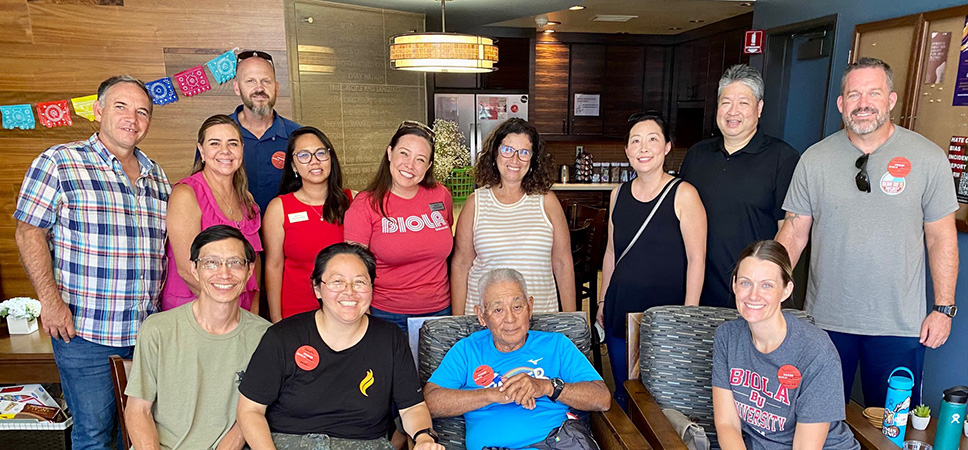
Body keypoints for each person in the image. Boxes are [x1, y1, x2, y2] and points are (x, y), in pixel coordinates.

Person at [776, 57, 959, 407]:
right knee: (819, 421)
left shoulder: (928, 159)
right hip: (824, 322)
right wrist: (770, 288)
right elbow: (794, 231)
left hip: (899, 326)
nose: (863, 103)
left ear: (890, 100)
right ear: (841, 104)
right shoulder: (814, 160)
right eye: (854, 94)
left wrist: (944, 308)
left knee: (890, 426)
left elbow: (941, 238)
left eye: (873, 93)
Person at [14, 75, 170, 449]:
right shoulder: (60, 162)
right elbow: (28, 232)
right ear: (98, 110)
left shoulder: (157, 176)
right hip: (86, 332)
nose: (132, 118)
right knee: (95, 434)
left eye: (142, 111)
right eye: (121, 107)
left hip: (146, 335)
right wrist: (50, 302)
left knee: (140, 433)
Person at [236, 243, 445, 450]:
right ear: (317, 288)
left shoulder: (390, 338)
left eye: (360, 282)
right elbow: (250, 410)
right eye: (337, 282)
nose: (349, 292)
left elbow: (412, 407)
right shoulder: (283, 336)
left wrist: (423, 438)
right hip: (288, 443)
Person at [424, 268, 611, 450]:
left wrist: (546, 387)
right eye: (498, 309)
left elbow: (602, 398)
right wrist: (494, 394)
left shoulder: (557, 345)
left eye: (517, 307)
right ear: (481, 315)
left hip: (556, 443)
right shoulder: (467, 350)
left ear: (529, 307)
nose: (510, 319)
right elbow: (430, 402)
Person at [596, 112, 706, 409]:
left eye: (652, 139)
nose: (643, 148)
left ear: (667, 147)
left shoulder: (684, 194)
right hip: (622, 307)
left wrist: (688, 314)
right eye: (636, 141)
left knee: (663, 397)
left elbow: (697, 259)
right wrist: (603, 301)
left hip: (665, 313)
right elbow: (610, 252)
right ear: (627, 151)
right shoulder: (618, 194)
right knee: (623, 391)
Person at [126, 225, 271, 450]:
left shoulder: (264, 336)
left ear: (249, 270)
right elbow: (138, 410)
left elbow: (251, 415)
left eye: (235, 263)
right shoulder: (158, 329)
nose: (224, 273)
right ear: (194, 269)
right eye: (211, 263)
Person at [712, 240, 860, 450]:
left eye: (767, 285)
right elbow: (727, 424)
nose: (753, 295)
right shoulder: (727, 337)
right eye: (745, 283)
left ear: (786, 290)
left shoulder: (816, 351)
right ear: (734, 284)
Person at [679, 65, 800, 308]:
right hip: (697, 295)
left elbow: (790, 231)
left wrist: (765, 289)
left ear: (759, 108)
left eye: (743, 103)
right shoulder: (697, 156)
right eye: (726, 102)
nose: (732, 111)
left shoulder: (782, 158)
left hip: (751, 300)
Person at [451, 118, 575, 315]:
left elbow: (562, 262)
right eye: (507, 150)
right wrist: (457, 322)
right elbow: (461, 265)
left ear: (533, 160)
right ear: (495, 152)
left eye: (524, 153)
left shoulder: (547, 201)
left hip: (540, 317)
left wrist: (571, 320)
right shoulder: (475, 203)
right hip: (486, 322)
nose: (515, 160)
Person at [344, 121, 453, 332]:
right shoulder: (366, 204)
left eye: (420, 159)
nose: (410, 165)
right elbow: (354, 267)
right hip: (387, 314)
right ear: (390, 153)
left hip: (440, 312)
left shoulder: (440, 195)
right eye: (404, 153)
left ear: (428, 166)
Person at [162, 115, 262, 313]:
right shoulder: (186, 193)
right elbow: (186, 270)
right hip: (195, 311)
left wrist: (252, 318)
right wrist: (230, 312)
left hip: (241, 314)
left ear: (242, 150)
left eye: (232, 143)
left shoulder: (248, 202)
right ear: (202, 151)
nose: (225, 151)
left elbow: (254, 271)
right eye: (215, 143)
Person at [263, 126, 352, 323]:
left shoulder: (353, 201)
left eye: (321, 153)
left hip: (345, 311)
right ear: (293, 166)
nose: (314, 161)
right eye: (304, 155)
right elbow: (274, 266)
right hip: (296, 312)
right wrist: (276, 318)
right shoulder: (279, 208)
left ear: (331, 158)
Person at [230, 50, 301, 212]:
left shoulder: (298, 136)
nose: (259, 88)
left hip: (286, 232)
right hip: (234, 233)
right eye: (250, 81)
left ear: (276, 88)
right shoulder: (217, 136)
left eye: (266, 81)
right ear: (237, 88)